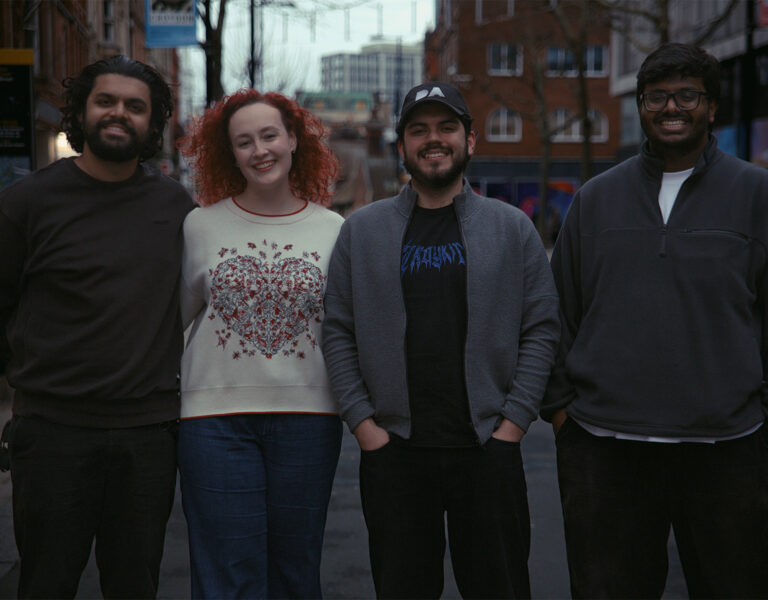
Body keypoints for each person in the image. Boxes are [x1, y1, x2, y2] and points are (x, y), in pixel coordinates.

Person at [543, 42, 768, 599]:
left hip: (728, 448)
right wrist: (562, 413)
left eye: (688, 95)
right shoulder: (596, 199)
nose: (672, 107)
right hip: (606, 448)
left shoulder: (755, 193)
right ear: (642, 106)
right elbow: (556, 311)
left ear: (711, 107)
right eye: (658, 97)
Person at [322, 81, 560, 599]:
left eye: (446, 127)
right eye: (419, 129)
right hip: (395, 455)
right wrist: (365, 427)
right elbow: (337, 330)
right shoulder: (362, 232)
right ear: (402, 145)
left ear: (470, 140)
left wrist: (513, 426)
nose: (434, 139)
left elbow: (542, 328)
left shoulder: (512, 228)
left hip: (488, 451)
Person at [0, 55, 193, 598]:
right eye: (105, 101)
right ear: (81, 111)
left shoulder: (176, 206)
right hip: (53, 433)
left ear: (151, 123)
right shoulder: (26, 203)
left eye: (135, 106)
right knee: (45, 584)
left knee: (135, 586)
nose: (119, 114)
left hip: (148, 437)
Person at [177, 89, 344, 599]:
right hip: (213, 423)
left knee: (295, 573)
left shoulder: (335, 229)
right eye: (243, 142)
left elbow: (343, 329)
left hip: (310, 420)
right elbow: (178, 319)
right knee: (227, 574)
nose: (259, 150)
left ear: (294, 139)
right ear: (231, 153)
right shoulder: (200, 225)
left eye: (269, 135)